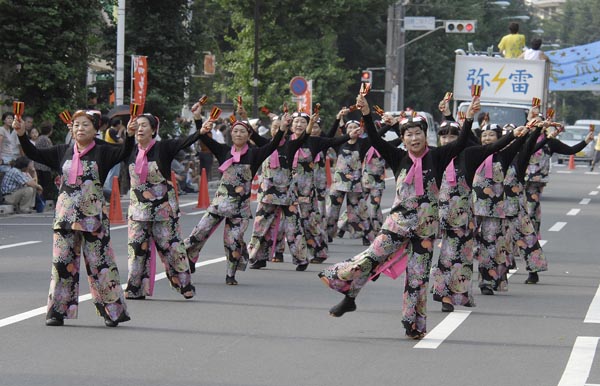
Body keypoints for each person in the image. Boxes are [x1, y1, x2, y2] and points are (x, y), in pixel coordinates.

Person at [319, 93, 470, 339]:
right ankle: (349, 295)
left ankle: (414, 326)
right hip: (397, 224)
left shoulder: (437, 156)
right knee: (369, 259)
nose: (414, 138)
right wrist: (366, 113)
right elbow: (376, 140)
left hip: (425, 229)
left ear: (425, 135)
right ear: (403, 139)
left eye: (418, 133)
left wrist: (470, 118)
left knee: (418, 278)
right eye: (408, 135)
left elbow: (462, 142)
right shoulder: (397, 157)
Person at [14, 110, 134, 327]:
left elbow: (126, 152)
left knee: (101, 265)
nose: (80, 129)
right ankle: (57, 312)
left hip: (93, 219)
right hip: (65, 218)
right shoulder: (63, 151)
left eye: (86, 125)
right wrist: (22, 134)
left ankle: (112, 312)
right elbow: (34, 153)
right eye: (77, 125)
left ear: (96, 129)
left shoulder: (104, 151)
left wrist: (132, 135)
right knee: (62, 264)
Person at [431, 97, 520, 311]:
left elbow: (492, 145)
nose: (448, 140)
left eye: (453, 136)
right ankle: (438, 293)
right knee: (442, 256)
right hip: (437, 216)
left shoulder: (470, 154)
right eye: (444, 137)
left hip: (470, 215)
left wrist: (515, 135)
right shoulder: (433, 156)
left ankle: (469, 288)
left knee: (464, 255)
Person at [184, 108, 287, 285]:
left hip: (240, 209)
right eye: (235, 131)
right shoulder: (224, 151)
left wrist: (283, 129)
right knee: (199, 233)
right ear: (231, 134)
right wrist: (198, 118)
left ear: (249, 135)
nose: (238, 134)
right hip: (218, 205)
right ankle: (190, 259)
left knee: (233, 241)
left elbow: (273, 145)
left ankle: (230, 274)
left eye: (242, 131)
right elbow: (203, 137)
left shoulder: (255, 154)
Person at [124, 112, 198, 300]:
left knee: (172, 248)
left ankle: (185, 284)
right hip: (137, 210)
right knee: (136, 250)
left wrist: (200, 124)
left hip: (162, 209)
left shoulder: (163, 148)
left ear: (154, 130)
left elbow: (187, 141)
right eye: (137, 125)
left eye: (144, 125)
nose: (139, 128)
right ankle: (135, 287)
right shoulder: (128, 150)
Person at [247, 112, 311, 271]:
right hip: (267, 192)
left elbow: (305, 135)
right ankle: (258, 257)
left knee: (293, 227)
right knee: (261, 226)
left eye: (280, 127)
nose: (277, 130)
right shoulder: (265, 144)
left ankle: (301, 259)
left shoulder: (292, 144)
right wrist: (243, 115)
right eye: (274, 127)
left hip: (287, 193)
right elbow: (251, 133)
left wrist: (309, 121)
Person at [34, 122, 58, 202]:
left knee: (41, 183)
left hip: (37, 164)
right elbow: (51, 152)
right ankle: (43, 200)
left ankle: (40, 200)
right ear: (50, 130)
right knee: (46, 185)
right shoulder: (46, 139)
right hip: (44, 166)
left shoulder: (39, 138)